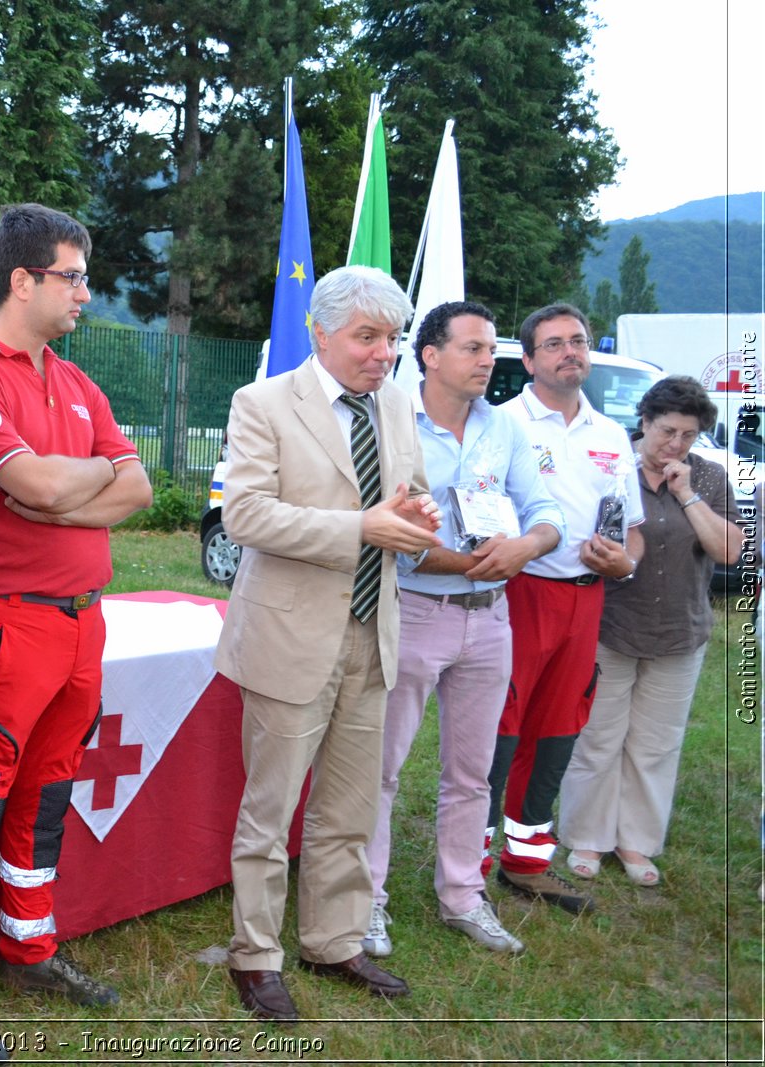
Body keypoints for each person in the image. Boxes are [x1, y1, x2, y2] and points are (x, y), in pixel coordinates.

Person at [0, 204, 152, 1054]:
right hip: (9, 625)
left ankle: (31, 944)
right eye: (74, 276)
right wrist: (77, 488)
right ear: (25, 280)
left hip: (84, 624)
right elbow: (41, 488)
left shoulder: (77, 379)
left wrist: (62, 490)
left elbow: (139, 489)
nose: (86, 292)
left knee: (47, 796)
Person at [215, 265, 440, 1022]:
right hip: (288, 638)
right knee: (270, 811)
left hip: (373, 635)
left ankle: (333, 938)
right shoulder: (264, 402)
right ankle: (255, 954)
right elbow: (245, 515)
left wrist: (416, 511)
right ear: (320, 332)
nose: (383, 354)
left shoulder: (398, 405)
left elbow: (404, 490)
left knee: (348, 807)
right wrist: (361, 528)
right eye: (367, 337)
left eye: (394, 339)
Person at [365, 301, 563, 959]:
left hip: (490, 619)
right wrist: (472, 558)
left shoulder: (503, 428)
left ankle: (461, 896)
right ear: (430, 355)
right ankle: (365, 901)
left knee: (472, 772)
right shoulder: (392, 417)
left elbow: (545, 510)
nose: (488, 360)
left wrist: (527, 547)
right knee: (380, 767)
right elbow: (380, 525)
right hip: (415, 609)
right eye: (474, 348)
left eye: (491, 349)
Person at [487, 303, 644, 914]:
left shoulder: (609, 434)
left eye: (577, 341)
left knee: (558, 730)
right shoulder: (499, 424)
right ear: (528, 360)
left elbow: (632, 532)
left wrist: (623, 561)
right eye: (553, 344)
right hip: (520, 592)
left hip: (586, 598)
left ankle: (526, 863)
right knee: (500, 727)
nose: (569, 352)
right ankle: (467, 863)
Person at [559, 376, 741, 885]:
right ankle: (588, 838)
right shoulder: (611, 466)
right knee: (598, 735)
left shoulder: (707, 477)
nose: (676, 445)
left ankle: (636, 843)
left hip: (681, 632)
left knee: (656, 743)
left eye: (689, 434)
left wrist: (686, 495)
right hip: (612, 625)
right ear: (644, 423)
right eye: (667, 431)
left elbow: (729, 551)